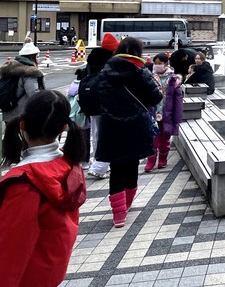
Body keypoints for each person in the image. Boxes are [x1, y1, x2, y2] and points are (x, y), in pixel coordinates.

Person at [0, 90, 87, 286]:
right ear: (64, 128)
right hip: (50, 270)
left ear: (22, 126)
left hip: (26, 277)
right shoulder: (69, 164)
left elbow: (10, 249)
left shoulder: (23, 182)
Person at [79, 36, 163, 228]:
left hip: (111, 128)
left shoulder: (104, 73)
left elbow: (93, 99)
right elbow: (154, 98)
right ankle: (126, 206)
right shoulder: (141, 74)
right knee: (132, 167)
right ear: (138, 53)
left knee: (116, 169)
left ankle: (118, 216)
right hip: (135, 127)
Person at [1, 41, 45, 166]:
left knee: (11, 134)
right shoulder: (29, 72)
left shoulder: (9, 69)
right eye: (37, 56)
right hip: (22, 111)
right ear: (32, 56)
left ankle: (11, 158)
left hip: (8, 108)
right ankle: (24, 160)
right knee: (25, 136)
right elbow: (34, 93)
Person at [83, 32, 119, 179]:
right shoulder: (110, 62)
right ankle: (100, 165)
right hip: (105, 103)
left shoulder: (92, 59)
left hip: (91, 103)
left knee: (95, 133)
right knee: (105, 134)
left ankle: (97, 161)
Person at [144, 53, 184, 173]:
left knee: (165, 138)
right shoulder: (149, 77)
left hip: (167, 114)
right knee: (152, 138)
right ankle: (151, 160)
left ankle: (163, 158)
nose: (157, 66)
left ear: (166, 64)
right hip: (152, 113)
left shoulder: (173, 80)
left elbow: (178, 100)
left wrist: (177, 117)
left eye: (160, 63)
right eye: (155, 63)